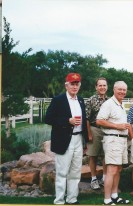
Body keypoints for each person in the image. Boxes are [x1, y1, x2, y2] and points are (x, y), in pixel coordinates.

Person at [45, 73, 88, 205]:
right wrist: (67, 121)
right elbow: (48, 119)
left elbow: (84, 120)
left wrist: (85, 140)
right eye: (72, 84)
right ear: (66, 85)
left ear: (79, 85)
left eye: (77, 84)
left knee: (75, 172)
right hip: (64, 140)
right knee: (62, 172)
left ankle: (72, 199)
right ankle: (59, 201)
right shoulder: (58, 100)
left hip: (78, 139)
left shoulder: (80, 100)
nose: (74, 87)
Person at [96, 81, 130, 205]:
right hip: (112, 140)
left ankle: (115, 196)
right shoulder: (108, 104)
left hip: (121, 140)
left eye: (124, 90)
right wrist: (117, 126)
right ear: (114, 89)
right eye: (120, 89)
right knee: (111, 170)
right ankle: (107, 199)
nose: (122, 92)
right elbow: (99, 121)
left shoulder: (120, 104)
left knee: (118, 169)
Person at [85, 77, 108, 190]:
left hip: (107, 130)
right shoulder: (91, 100)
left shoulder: (110, 100)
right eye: (100, 85)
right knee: (93, 155)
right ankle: (93, 179)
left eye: (104, 85)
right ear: (96, 87)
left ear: (107, 87)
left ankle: (104, 178)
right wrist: (89, 134)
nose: (102, 87)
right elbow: (87, 119)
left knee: (105, 155)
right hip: (94, 129)